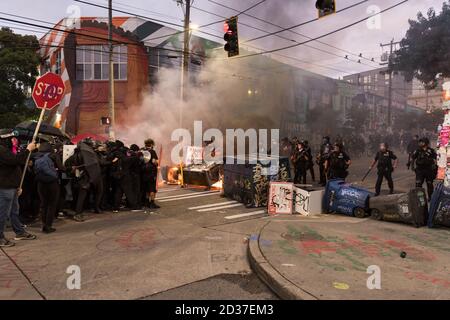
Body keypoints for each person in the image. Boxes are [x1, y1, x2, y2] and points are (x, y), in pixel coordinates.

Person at [0, 130, 37, 247]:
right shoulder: (1, 150)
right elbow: (15, 160)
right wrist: (28, 150)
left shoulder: (8, 150)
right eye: (12, 138)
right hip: (5, 187)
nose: (14, 141)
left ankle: (19, 232)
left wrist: (17, 185)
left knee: (14, 211)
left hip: (12, 186)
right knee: (3, 214)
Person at [33, 142, 64, 233]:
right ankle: (48, 226)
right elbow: (61, 168)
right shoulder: (54, 155)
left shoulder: (36, 156)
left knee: (44, 204)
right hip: (52, 183)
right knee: (52, 204)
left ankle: (43, 225)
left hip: (40, 183)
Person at [141, 139, 160, 209]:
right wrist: (156, 164)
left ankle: (146, 202)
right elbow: (154, 161)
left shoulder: (142, 150)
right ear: (152, 144)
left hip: (143, 173)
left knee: (146, 188)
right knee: (152, 188)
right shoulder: (152, 151)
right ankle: (152, 203)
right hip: (151, 173)